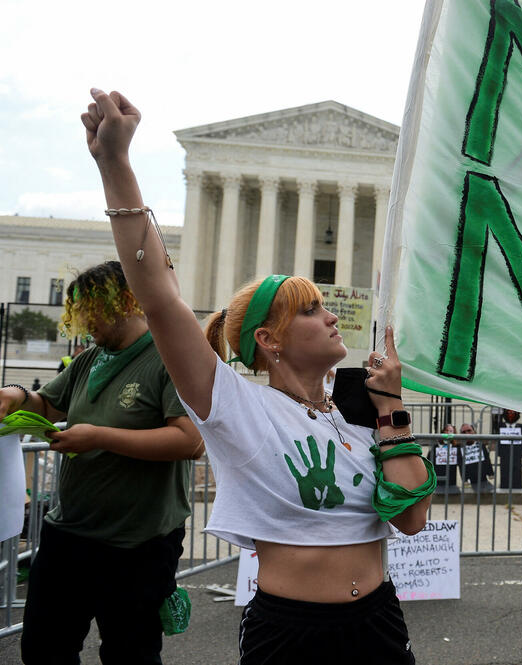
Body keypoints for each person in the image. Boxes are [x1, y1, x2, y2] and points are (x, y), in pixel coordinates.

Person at [80, 88, 434, 664]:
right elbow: (161, 298)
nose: (332, 316)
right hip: (289, 633)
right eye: (312, 310)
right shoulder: (236, 407)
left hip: (379, 622)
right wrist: (115, 163)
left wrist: (392, 409)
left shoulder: (358, 411)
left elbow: (413, 519)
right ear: (269, 341)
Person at [0, 260, 202, 665]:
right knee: (43, 648)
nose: (83, 321)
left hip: (139, 543)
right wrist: (17, 394)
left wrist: (98, 437)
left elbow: (190, 441)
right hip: (69, 532)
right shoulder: (91, 358)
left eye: (91, 310)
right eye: (78, 312)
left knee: (131, 654)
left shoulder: (169, 356)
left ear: (125, 302)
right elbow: (49, 405)